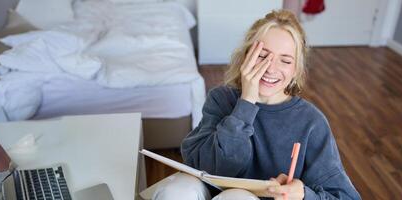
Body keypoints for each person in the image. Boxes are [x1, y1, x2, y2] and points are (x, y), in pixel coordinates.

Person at [153, 10, 361, 200]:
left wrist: (304, 195)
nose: (270, 68)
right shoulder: (221, 99)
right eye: (262, 56)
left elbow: (346, 197)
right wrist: (246, 103)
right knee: (177, 190)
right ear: (246, 57)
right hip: (211, 194)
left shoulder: (311, 122)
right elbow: (208, 167)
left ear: (297, 70)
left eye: (285, 61)